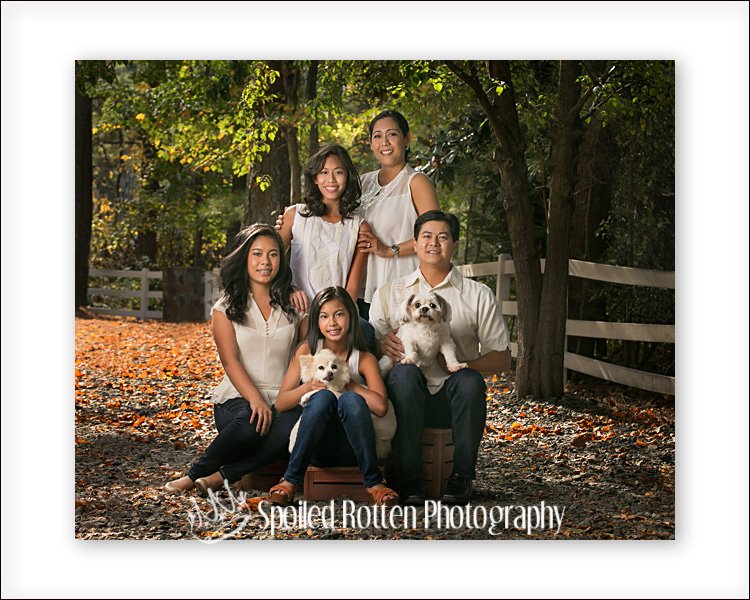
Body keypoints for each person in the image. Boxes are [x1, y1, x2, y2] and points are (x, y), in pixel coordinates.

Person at [370, 210, 511, 506]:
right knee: (405, 375)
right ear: (416, 244)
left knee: (469, 381)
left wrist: (462, 365)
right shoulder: (388, 293)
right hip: (403, 399)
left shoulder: (478, 294)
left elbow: (501, 358)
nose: (434, 243)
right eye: (426, 237)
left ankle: (462, 477)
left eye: (443, 237)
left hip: (451, 401)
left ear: (454, 245)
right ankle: (410, 480)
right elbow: (370, 352)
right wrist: (381, 343)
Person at [164, 224, 306, 496]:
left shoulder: (295, 306)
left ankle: (221, 477)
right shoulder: (225, 308)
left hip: (283, 397)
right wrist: (255, 399)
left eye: (273, 254)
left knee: (295, 427)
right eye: (257, 254)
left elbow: (306, 352)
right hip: (237, 397)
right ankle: (195, 474)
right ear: (244, 258)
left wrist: (296, 292)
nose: (265, 261)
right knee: (251, 422)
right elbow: (230, 362)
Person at [268, 286, 399, 507]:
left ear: (351, 316)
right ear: (316, 321)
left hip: (355, 449)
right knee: (323, 398)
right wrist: (309, 386)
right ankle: (290, 479)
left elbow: (380, 407)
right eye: (324, 316)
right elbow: (281, 403)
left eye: (339, 314)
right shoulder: (308, 351)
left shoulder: (364, 358)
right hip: (317, 445)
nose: (333, 323)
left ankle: (374, 482)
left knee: (350, 399)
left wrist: (347, 382)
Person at [354, 110, 440, 319]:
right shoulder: (362, 182)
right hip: (363, 289)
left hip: (401, 289)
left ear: (407, 138)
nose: (384, 142)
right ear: (371, 143)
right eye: (377, 136)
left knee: (398, 349)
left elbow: (434, 235)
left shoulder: (416, 181)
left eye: (392, 134)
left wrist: (388, 249)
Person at [278, 143, 370, 315]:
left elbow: (352, 287)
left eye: (338, 172)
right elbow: (273, 259)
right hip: (297, 310)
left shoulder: (359, 226)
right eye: (324, 172)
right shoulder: (295, 215)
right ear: (315, 178)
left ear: (347, 177)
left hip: (338, 316)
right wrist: (288, 289)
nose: (331, 180)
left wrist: (337, 319)